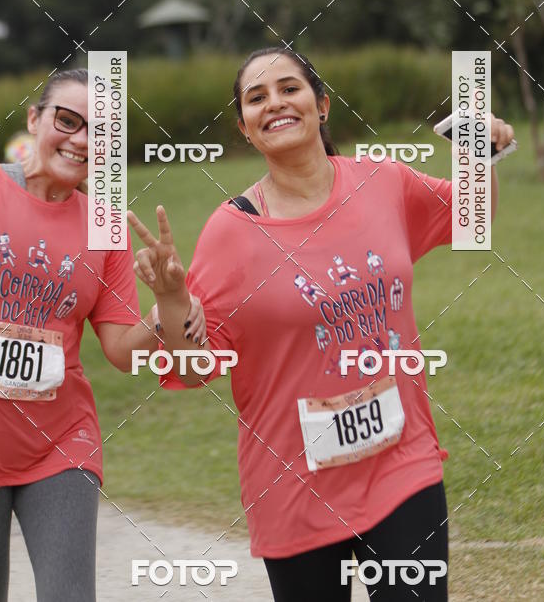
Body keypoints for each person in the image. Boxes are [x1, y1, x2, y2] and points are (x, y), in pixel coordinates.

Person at [128, 47, 515, 602]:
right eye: (256, 98)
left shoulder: (382, 181)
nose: (276, 103)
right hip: (293, 488)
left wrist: (481, 152)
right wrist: (170, 298)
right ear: (245, 128)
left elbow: (471, 218)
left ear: (322, 104)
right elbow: (192, 372)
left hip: (401, 464)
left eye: (290, 88)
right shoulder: (232, 232)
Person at [0, 69, 166, 602]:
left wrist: (168, 307)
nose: (83, 139)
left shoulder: (104, 227)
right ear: (34, 120)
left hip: (61, 444)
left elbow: (120, 350)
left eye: (103, 132)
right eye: (68, 121)